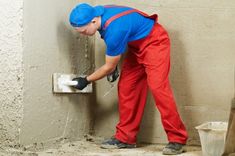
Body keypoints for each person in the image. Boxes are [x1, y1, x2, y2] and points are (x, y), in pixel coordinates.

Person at [69, 3, 188, 155]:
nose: (83, 34)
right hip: (136, 47)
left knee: (158, 88)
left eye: (84, 31)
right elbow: (122, 35)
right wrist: (113, 63)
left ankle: (177, 139)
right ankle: (126, 138)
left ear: (93, 21)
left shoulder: (115, 29)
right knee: (127, 87)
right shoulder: (100, 14)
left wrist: (86, 80)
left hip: (155, 42)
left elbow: (108, 66)